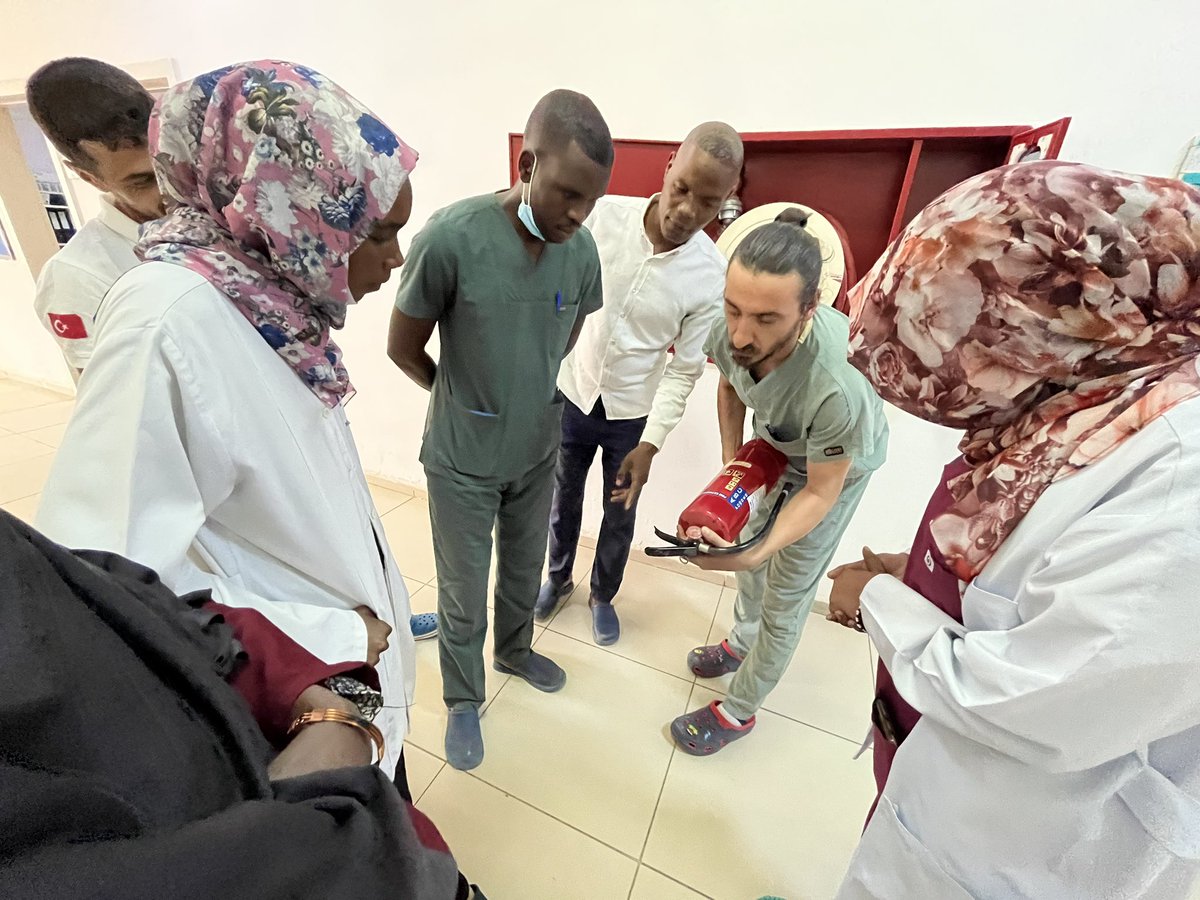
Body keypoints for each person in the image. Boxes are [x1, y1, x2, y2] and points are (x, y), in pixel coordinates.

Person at [36, 60, 421, 782]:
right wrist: (332, 639)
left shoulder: (273, 302)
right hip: (305, 707)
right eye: (378, 232)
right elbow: (108, 582)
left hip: (355, 692)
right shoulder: (165, 319)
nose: (397, 259)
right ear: (294, 207)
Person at [830, 162, 1200, 899]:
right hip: (946, 795)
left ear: (1056, 324)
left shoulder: (1178, 479)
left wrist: (882, 599)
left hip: (1029, 856)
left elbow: (1040, 702)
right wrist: (933, 577)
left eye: (971, 357)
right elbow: (1051, 573)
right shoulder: (1098, 394)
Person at [0, 510, 480, 899]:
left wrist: (314, 702)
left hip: (349, 781)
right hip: (332, 843)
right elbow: (117, 529)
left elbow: (134, 593)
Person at [389, 89, 612, 770]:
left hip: (536, 447)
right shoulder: (451, 238)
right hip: (461, 455)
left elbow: (565, 338)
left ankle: (516, 652)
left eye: (592, 200)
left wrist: (521, 401)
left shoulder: (581, 253)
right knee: (463, 586)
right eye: (566, 192)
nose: (577, 215)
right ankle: (462, 697)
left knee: (521, 572)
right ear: (526, 163)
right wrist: (458, 396)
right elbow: (403, 347)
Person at [669, 214, 888, 755]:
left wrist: (756, 552)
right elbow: (728, 381)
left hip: (833, 469)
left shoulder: (836, 385)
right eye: (734, 308)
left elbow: (818, 491)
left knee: (784, 590)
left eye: (767, 319)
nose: (742, 334)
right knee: (744, 546)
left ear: (809, 310)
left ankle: (738, 711)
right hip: (774, 444)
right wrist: (732, 465)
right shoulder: (730, 332)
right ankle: (742, 643)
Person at [534, 122, 743, 646]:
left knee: (618, 512)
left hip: (632, 417)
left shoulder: (708, 274)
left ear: (726, 202)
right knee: (561, 500)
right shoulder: (604, 217)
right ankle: (557, 580)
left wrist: (651, 443)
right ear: (670, 164)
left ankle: (603, 595)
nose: (688, 211)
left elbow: (684, 368)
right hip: (572, 392)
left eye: (709, 203)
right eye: (683, 189)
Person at [26, 58, 164, 381]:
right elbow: (122, 404)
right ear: (89, 178)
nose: (170, 188)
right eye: (142, 181)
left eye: (171, 163)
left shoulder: (224, 215)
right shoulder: (77, 277)